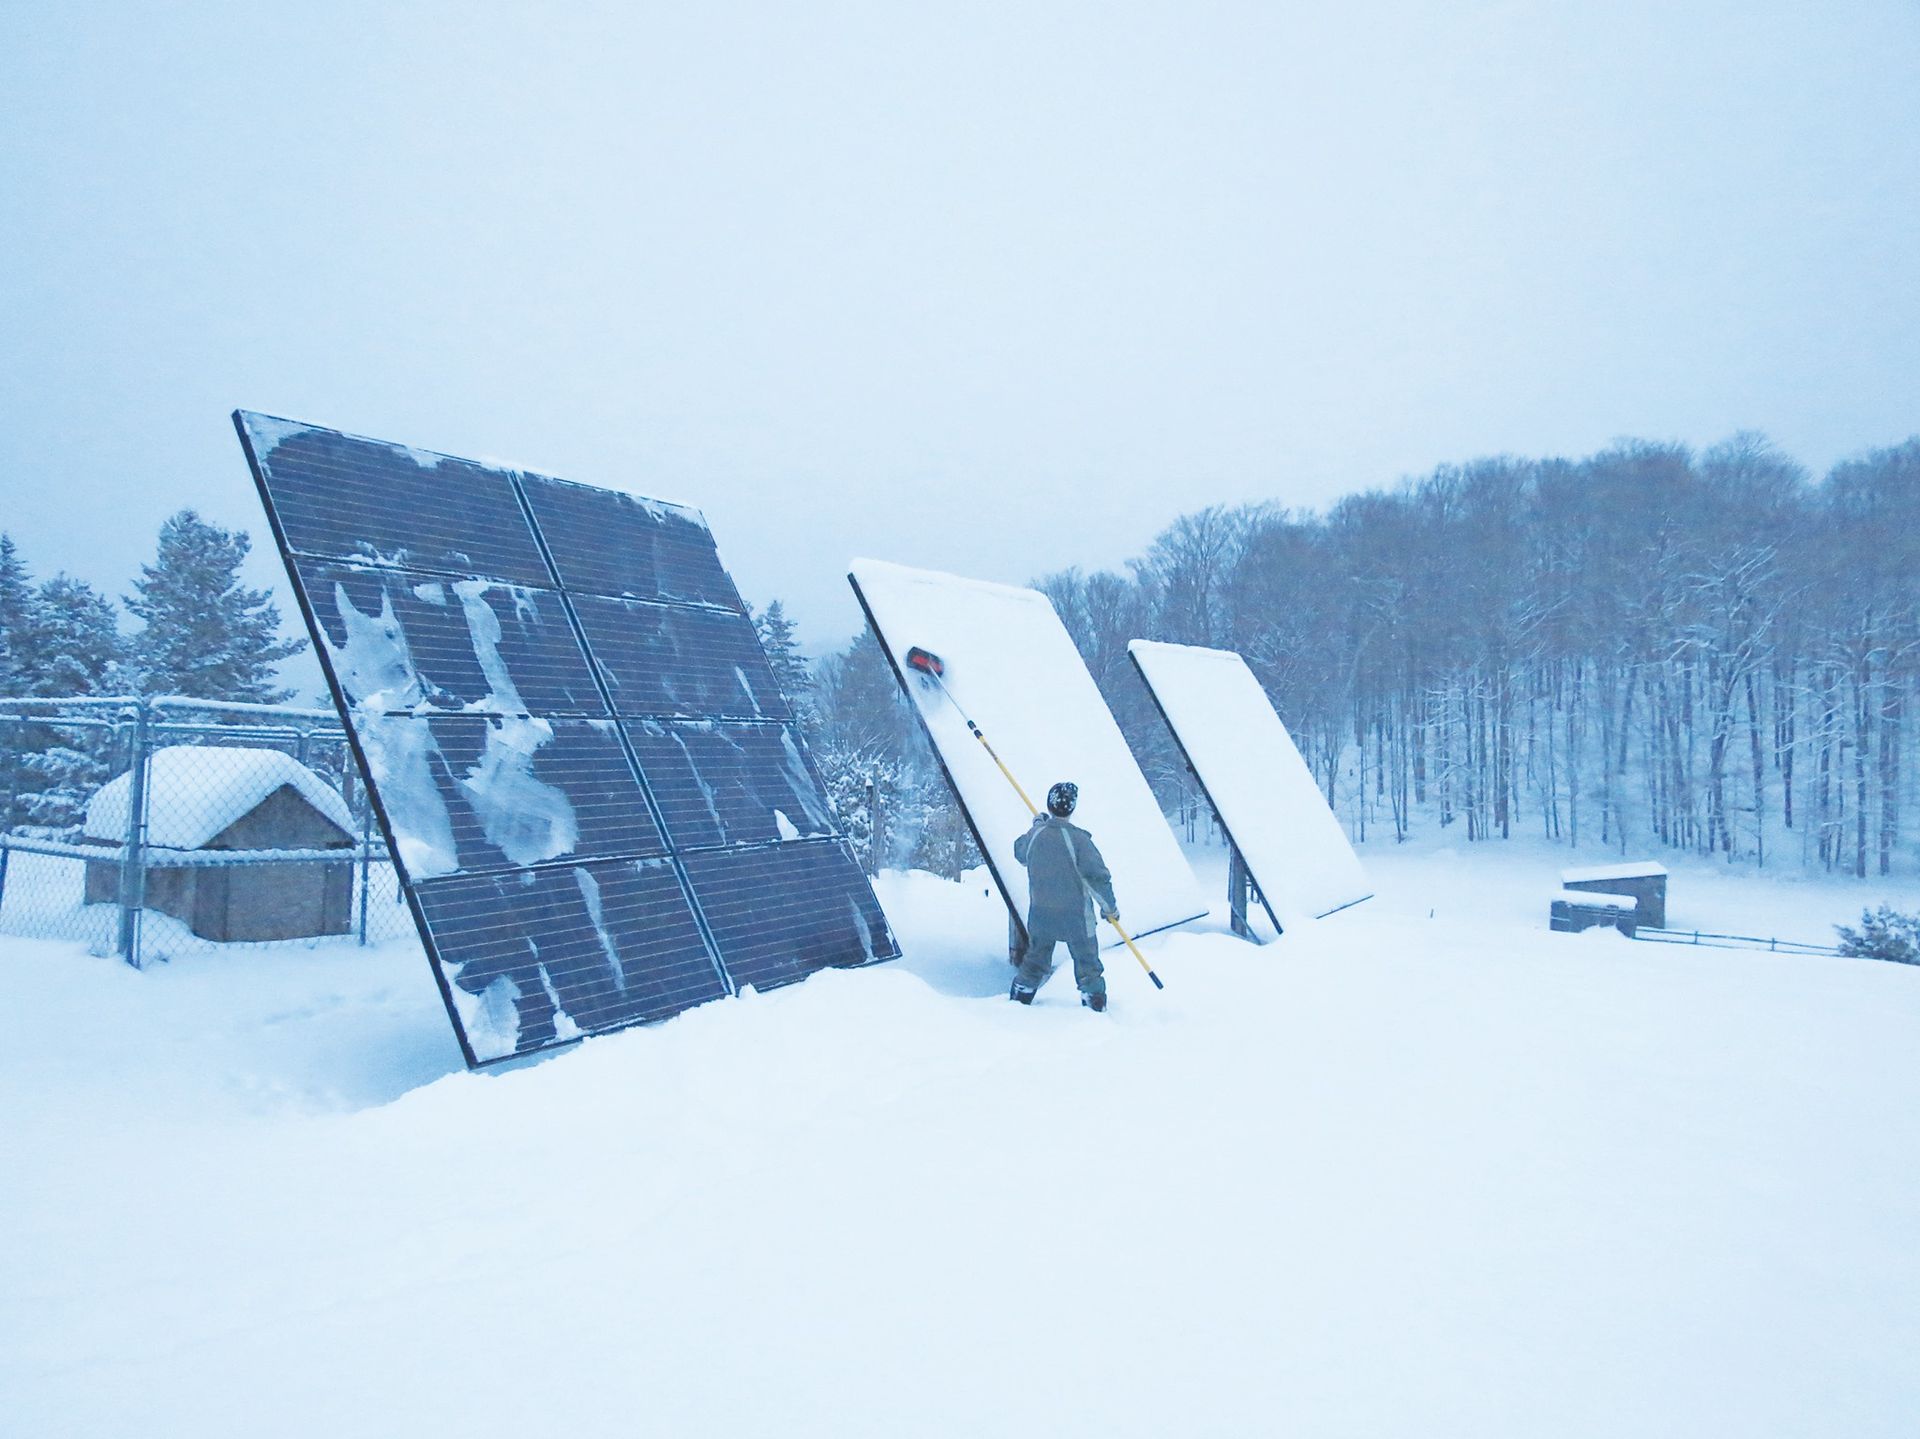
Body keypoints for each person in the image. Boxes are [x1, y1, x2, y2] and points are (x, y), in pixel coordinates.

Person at [1009, 780, 1119, 1011]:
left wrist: (1037, 826)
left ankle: (1019, 999)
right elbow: (1097, 877)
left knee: (1035, 961)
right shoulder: (1080, 840)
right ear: (1072, 808)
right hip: (1076, 918)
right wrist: (1109, 908)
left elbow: (1020, 852)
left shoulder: (1036, 835)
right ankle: (1094, 1005)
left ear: (1049, 805)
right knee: (1088, 965)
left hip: (1041, 915)